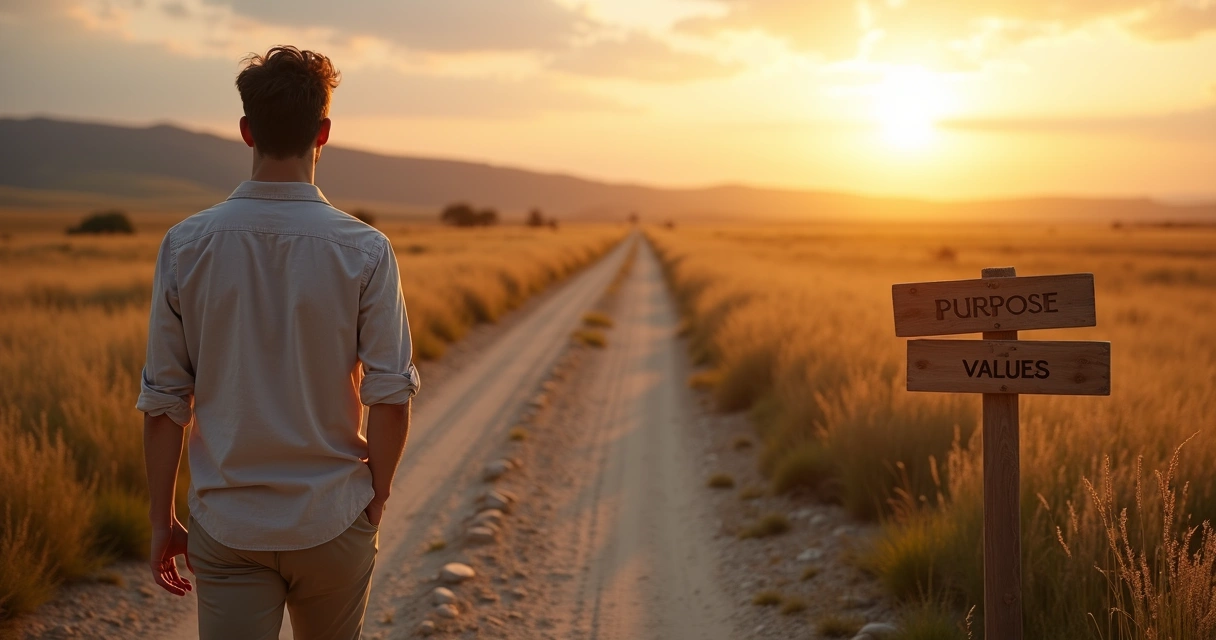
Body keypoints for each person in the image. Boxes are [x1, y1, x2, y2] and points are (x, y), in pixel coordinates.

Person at [137, 45, 419, 640]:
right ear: (324, 132)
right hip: (333, 518)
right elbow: (390, 395)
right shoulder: (366, 249)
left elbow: (165, 401)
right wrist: (377, 499)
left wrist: (163, 522)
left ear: (246, 131)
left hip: (227, 524)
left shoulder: (185, 245)